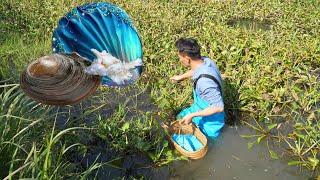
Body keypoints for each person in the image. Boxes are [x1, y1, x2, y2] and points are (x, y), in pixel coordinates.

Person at [170, 38, 225, 139]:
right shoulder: (205, 61)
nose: (180, 60)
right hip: (200, 108)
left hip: (211, 121)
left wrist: (192, 115)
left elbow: (219, 107)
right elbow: (196, 70)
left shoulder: (205, 82)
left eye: (180, 58)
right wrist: (180, 77)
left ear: (187, 58)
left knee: (203, 142)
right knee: (180, 117)